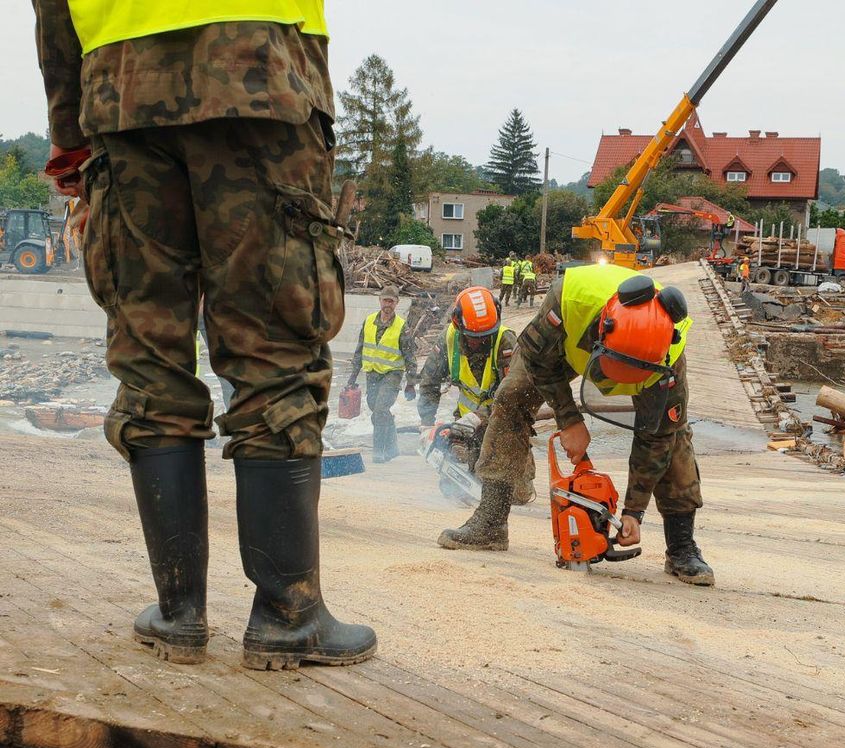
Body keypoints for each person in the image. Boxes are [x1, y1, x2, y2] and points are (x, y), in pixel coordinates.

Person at [33, 1, 377, 669]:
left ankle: (177, 611)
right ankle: (288, 614)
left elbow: (53, 13)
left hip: (122, 99)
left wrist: (70, 132)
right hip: (257, 80)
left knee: (149, 355)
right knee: (272, 346)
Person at [437, 264, 715, 587]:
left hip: (640, 365)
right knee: (511, 397)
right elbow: (538, 360)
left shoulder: (669, 355)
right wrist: (568, 418)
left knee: (674, 435)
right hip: (570, 346)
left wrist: (633, 512)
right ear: (603, 327)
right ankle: (491, 521)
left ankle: (681, 545)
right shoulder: (569, 298)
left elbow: (656, 440)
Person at [418, 286, 517, 471]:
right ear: (458, 324)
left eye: (486, 336)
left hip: (502, 423)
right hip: (465, 424)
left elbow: (515, 396)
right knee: (466, 481)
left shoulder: (506, 341)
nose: (479, 341)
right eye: (473, 336)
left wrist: (479, 417)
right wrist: (426, 423)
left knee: (515, 492)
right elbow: (429, 382)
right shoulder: (449, 339)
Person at [347, 285, 418, 463]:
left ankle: (379, 451)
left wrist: (411, 382)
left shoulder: (402, 327)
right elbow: (359, 350)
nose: (388, 304)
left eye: (391, 301)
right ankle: (393, 447)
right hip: (372, 374)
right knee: (376, 408)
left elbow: (410, 356)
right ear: (380, 300)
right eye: (385, 300)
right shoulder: (369, 321)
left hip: (392, 375)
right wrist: (352, 378)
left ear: (396, 303)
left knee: (379, 410)